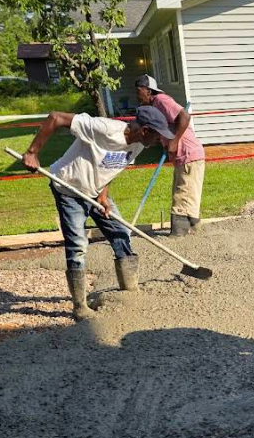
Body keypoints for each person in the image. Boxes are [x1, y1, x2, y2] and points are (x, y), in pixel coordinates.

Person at [22, 106, 174, 320]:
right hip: (68, 188)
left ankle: (129, 291)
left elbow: (111, 167)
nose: (160, 141)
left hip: (95, 192)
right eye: (158, 136)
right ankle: (80, 307)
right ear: (146, 130)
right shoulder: (104, 128)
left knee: (121, 232)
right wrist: (31, 152)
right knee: (77, 245)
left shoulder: (138, 144)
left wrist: (103, 194)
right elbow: (55, 117)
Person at [135, 75, 206, 237]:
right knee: (185, 191)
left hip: (188, 152)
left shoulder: (161, 100)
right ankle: (193, 227)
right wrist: (166, 144)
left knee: (183, 192)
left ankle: (179, 232)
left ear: (148, 90)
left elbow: (184, 117)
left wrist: (174, 141)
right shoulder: (153, 106)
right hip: (182, 155)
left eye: (139, 91)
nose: (137, 95)